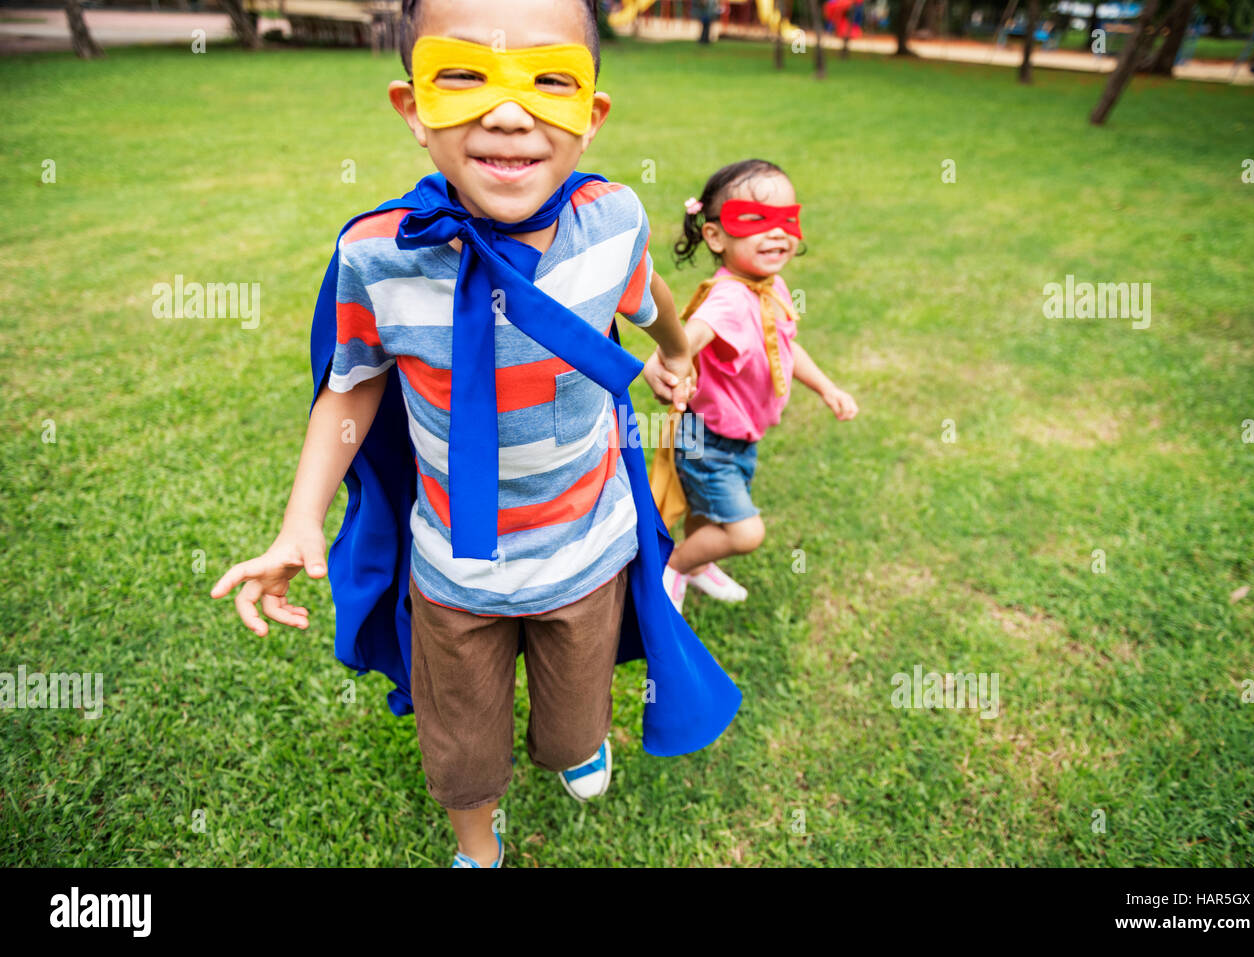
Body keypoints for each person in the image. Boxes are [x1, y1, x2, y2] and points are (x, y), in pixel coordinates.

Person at [210, 0, 740, 868]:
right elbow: (351, 388)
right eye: (463, 74)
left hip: (586, 547)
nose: (506, 111)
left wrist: (675, 353)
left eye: (549, 80)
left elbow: (649, 301)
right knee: (461, 744)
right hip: (454, 565)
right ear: (413, 107)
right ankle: (477, 846)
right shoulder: (378, 255)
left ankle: (577, 742)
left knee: (574, 723)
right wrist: (301, 519)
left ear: (592, 114)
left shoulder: (613, 222)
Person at [645, 159, 858, 612]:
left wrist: (826, 388)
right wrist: (665, 358)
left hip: (738, 437)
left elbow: (782, 346)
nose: (777, 233)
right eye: (756, 220)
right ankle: (672, 569)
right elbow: (689, 338)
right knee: (743, 531)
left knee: (707, 513)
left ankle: (698, 566)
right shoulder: (730, 298)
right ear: (716, 235)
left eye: (787, 220)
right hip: (708, 440)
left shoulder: (769, 286)